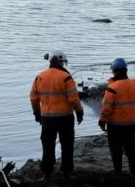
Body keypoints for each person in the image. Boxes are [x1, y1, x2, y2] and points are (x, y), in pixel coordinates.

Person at [30, 50, 84, 182]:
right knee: (67, 146)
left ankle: (47, 172)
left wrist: (37, 113)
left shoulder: (40, 77)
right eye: (63, 62)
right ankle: (66, 173)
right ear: (60, 61)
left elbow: (33, 98)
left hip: (47, 118)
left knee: (48, 146)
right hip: (65, 118)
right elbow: (73, 99)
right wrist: (79, 112)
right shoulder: (66, 77)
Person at [98, 58, 135, 178]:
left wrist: (102, 121)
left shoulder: (112, 87)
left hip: (115, 125)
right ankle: (134, 172)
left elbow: (106, 108)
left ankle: (118, 172)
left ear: (114, 71)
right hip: (131, 123)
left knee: (116, 149)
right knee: (131, 148)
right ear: (126, 70)